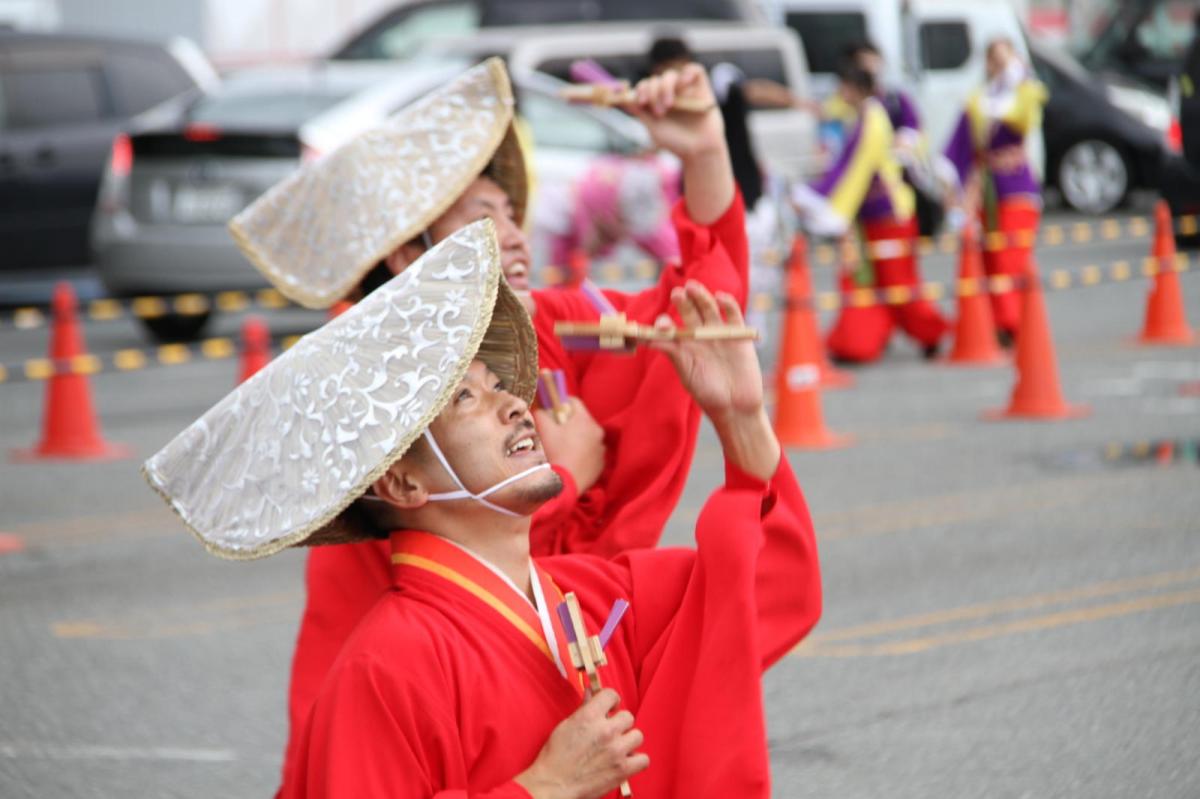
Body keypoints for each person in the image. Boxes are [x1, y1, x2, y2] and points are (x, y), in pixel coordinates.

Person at [143, 223, 822, 797]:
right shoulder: (385, 666)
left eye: (499, 384)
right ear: (402, 484)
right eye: (466, 399)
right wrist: (542, 787)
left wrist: (741, 421)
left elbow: (768, 591)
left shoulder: (594, 599)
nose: (513, 403)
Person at [227, 58, 749, 792]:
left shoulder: (558, 323)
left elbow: (701, 325)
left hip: (571, 679)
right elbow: (457, 539)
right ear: (409, 254)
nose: (514, 234)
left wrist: (702, 152)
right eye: (481, 217)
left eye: (511, 212)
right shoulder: (379, 398)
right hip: (422, 710)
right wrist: (561, 480)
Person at [792, 64, 949, 363]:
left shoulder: (873, 119)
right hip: (871, 216)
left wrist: (817, 196)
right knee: (866, 280)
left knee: (896, 282)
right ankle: (858, 343)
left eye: (845, 87)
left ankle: (930, 333)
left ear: (856, 89)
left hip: (889, 215)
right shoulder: (863, 115)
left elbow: (852, 168)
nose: (841, 93)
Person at [944, 37, 1048, 345]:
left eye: (1006, 59)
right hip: (986, 186)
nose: (1001, 66)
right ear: (987, 64)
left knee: (1010, 256)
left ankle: (1013, 322)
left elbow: (1024, 115)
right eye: (996, 60)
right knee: (988, 256)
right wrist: (956, 189)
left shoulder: (1026, 92)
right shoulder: (977, 100)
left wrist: (1016, 77)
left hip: (1016, 184)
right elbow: (959, 145)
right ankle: (993, 322)